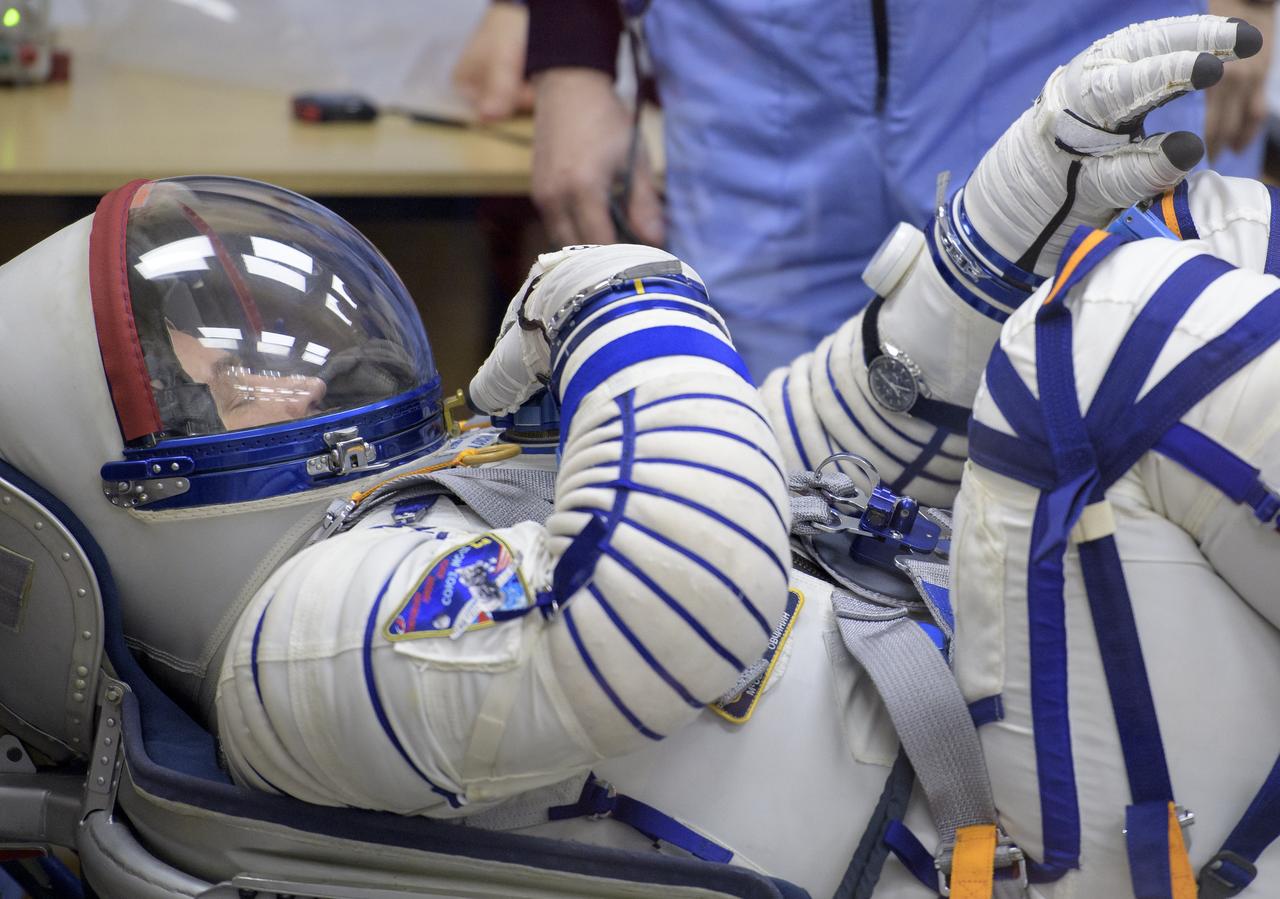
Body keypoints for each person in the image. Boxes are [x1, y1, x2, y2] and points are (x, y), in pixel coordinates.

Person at [0, 15, 1271, 899]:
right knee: (1119, 335)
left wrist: (997, 233)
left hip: (1009, 767)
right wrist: (621, 296)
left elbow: (783, 477)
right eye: (188, 378)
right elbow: (676, 588)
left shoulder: (374, 544)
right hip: (1030, 835)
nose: (257, 366)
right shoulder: (293, 653)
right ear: (104, 506)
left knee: (1188, 246)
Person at [525, 0, 1275, 379]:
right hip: (760, 66)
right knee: (763, 479)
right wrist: (571, 51)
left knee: (1120, 433)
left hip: (1057, 35)